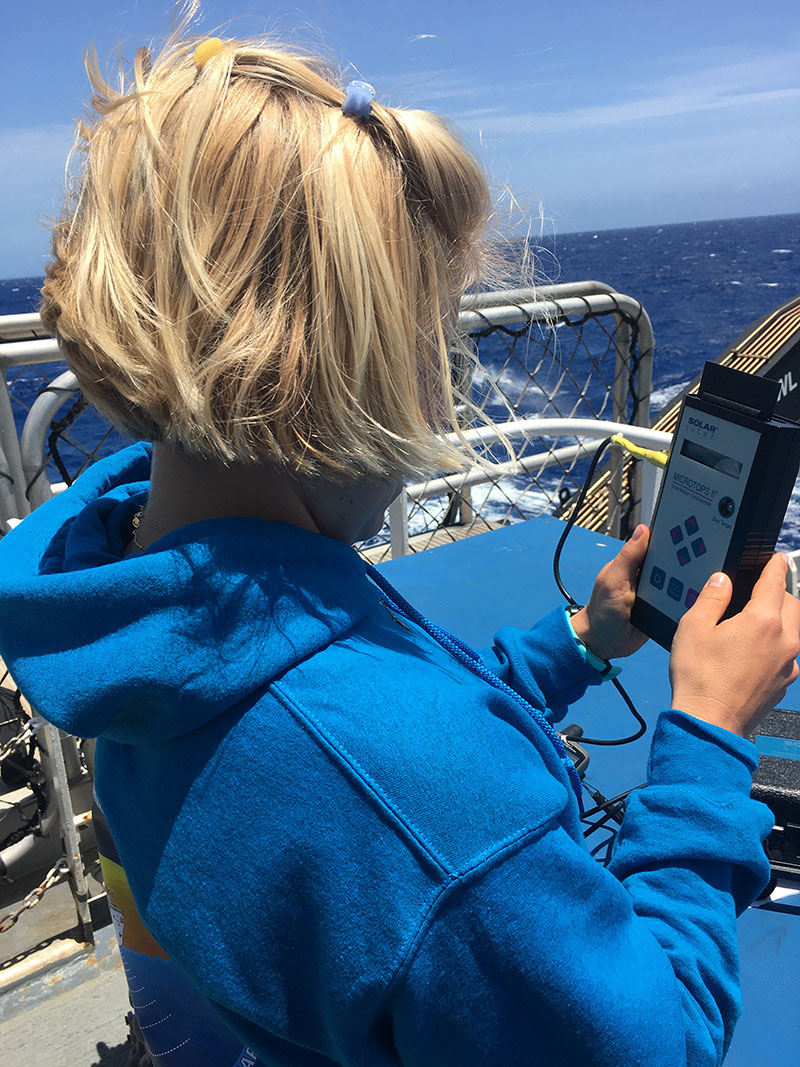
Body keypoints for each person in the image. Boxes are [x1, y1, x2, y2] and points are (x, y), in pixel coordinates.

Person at [0, 22, 798, 1067]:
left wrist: (583, 638)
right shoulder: (428, 803)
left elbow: (387, 702)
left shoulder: (142, 598)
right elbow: (660, 1042)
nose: (443, 392)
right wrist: (704, 739)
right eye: (434, 341)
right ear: (341, 371)